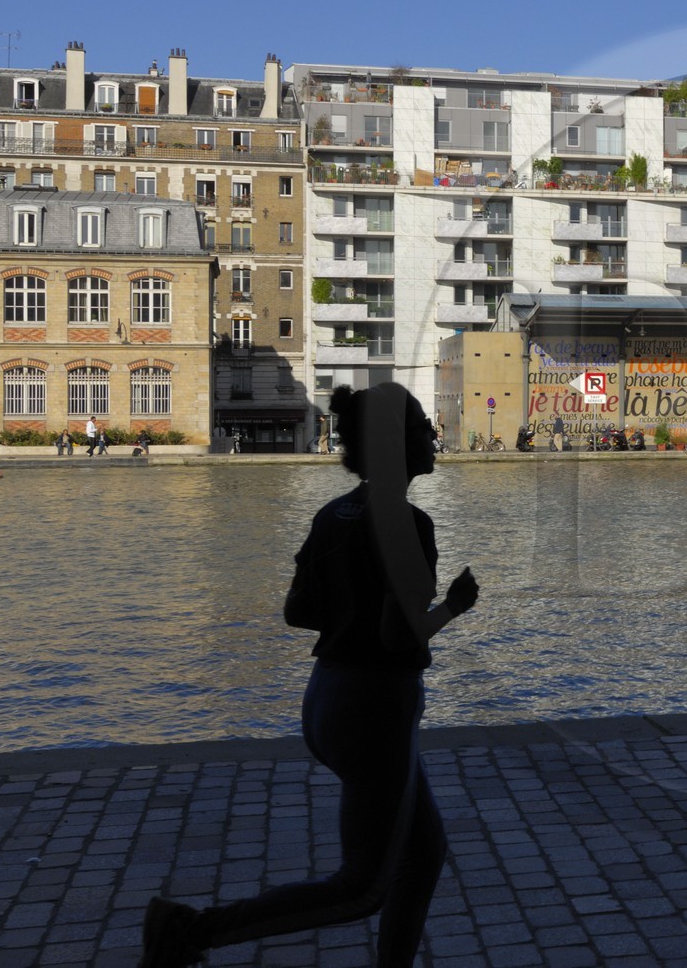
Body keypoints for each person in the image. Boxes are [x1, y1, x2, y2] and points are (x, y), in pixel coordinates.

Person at [140, 383, 480, 968]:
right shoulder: (407, 524)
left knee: (421, 857)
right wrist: (453, 606)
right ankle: (191, 931)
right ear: (397, 444)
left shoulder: (334, 514)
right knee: (365, 886)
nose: (432, 435)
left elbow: (298, 611)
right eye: (423, 425)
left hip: (327, 698)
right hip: (376, 708)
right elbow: (399, 638)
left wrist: (351, 603)